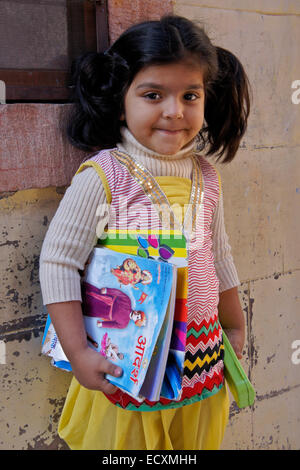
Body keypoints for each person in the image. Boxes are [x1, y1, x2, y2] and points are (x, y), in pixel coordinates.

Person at [39, 14, 250, 450]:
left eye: (190, 95)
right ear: (121, 100)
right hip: (129, 365)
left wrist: (235, 325)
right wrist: (78, 352)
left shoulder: (207, 177)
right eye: (153, 94)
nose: (174, 110)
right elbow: (59, 260)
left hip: (202, 357)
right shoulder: (106, 176)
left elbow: (218, 256)